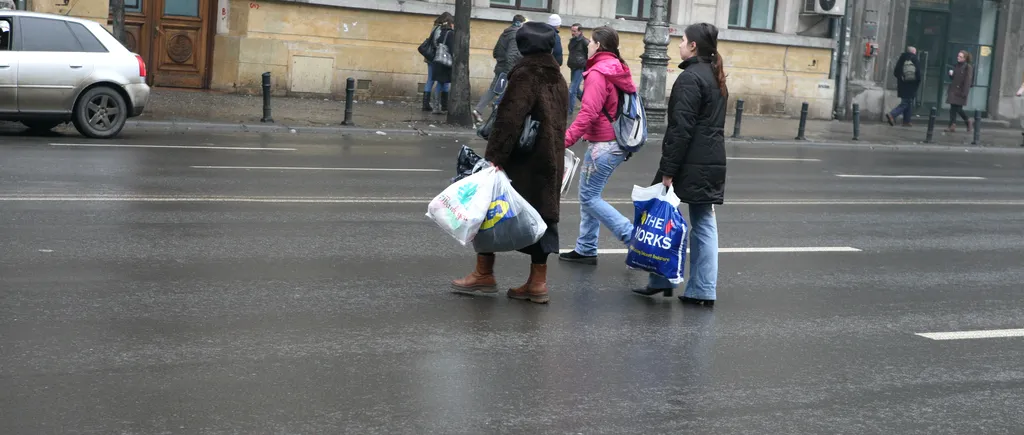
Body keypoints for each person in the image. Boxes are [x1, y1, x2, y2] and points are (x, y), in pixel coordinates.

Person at [451, 21, 569, 305]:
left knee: (489, 210)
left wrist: (494, 159)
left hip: (522, 161)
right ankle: (537, 283)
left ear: (523, 45)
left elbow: (509, 120)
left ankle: (484, 274)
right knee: (542, 218)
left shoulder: (526, 74)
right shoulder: (558, 77)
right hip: (549, 159)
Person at [633, 22, 727, 308]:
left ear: (694, 46)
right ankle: (700, 288)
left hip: (689, 162)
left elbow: (680, 130)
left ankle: (664, 280)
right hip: (710, 161)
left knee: (658, 216)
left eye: (682, 40)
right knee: (703, 223)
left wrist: (668, 170)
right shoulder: (715, 75)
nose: (678, 44)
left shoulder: (690, 79)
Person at [558, 26, 638, 266]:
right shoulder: (616, 68)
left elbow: (589, 111)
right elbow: (608, 108)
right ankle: (586, 247)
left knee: (589, 197)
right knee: (589, 195)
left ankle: (633, 238)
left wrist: (565, 139)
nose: (588, 45)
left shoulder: (598, 72)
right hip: (611, 140)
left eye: (591, 42)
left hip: (605, 144)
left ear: (599, 46)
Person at [473, 15, 526, 124]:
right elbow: (511, 55)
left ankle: (478, 110)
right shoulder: (515, 35)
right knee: (509, 89)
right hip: (508, 68)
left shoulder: (505, 33)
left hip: (501, 66)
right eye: (524, 24)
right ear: (519, 23)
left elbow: (496, 51)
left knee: (494, 89)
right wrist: (509, 70)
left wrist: (500, 61)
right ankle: (497, 110)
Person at [422, 13, 454, 113]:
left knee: (432, 80)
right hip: (437, 58)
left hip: (431, 57)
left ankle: (427, 104)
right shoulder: (441, 29)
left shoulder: (435, 27)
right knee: (439, 80)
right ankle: (435, 105)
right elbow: (437, 43)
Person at [886, 46, 922, 127]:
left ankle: (906, 121)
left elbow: (895, 72)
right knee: (906, 103)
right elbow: (918, 73)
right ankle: (892, 114)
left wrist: (902, 78)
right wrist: (917, 83)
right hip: (911, 85)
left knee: (908, 102)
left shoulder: (902, 58)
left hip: (902, 85)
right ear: (913, 52)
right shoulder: (915, 59)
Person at [945, 50, 974, 132]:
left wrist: (965, 92)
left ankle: (968, 121)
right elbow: (955, 78)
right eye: (958, 56)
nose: (958, 57)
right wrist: (951, 75)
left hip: (961, 90)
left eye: (960, 57)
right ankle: (952, 125)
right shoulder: (957, 65)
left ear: (965, 58)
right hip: (954, 89)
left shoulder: (968, 67)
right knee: (953, 108)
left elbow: (968, 81)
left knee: (958, 109)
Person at [567, 23, 589, 115]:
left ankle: (569, 111)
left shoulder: (585, 41)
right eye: (572, 30)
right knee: (576, 89)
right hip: (573, 66)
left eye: (574, 31)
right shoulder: (573, 41)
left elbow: (590, 54)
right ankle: (587, 105)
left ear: (580, 31)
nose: (572, 33)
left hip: (580, 67)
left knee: (571, 90)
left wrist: (585, 65)